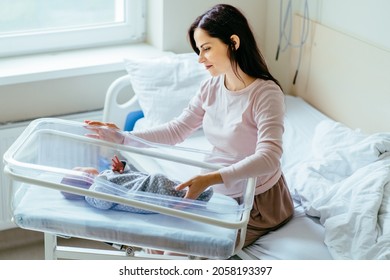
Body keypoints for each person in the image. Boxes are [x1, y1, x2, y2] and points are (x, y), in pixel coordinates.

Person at [85, 4, 294, 248]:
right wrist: (123, 137)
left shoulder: (265, 94)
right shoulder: (211, 88)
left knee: (191, 248)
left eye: (206, 48)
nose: (200, 58)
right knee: (164, 241)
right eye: (198, 50)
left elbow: (269, 157)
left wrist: (210, 178)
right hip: (218, 191)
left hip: (257, 200)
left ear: (234, 42)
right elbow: (177, 130)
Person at [61, 155, 213, 214]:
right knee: (172, 192)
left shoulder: (105, 175)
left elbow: (129, 177)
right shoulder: (93, 194)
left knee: (175, 186)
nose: (83, 168)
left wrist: (122, 168)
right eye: (80, 171)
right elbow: (104, 202)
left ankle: (198, 193)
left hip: (146, 182)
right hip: (146, 194)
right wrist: (101, 181)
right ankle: (198, 196)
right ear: (84, 180)